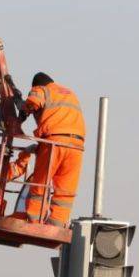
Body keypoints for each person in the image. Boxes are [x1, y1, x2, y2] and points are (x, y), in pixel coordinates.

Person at [16, 72, 85, 227]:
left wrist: (23, 106)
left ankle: (34, 221)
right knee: (65, 190)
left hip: (55, 143)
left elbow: (33, 101)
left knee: (41, 183)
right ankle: (57, 225)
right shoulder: (69, 93)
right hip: (76, 146)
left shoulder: (42, 90)